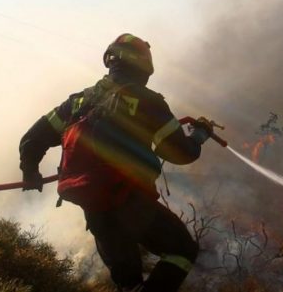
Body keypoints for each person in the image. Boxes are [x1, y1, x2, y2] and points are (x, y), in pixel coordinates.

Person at [19, 33, 212, 292]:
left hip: (95, 209)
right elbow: (181, 154)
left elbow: (32, 139)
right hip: (132, 203)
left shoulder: (78, 101)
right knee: (182, 251)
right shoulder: (148, 102)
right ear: (144, 66)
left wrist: (30, 171)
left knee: (129, 284)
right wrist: (199, 136)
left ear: (110, 60)